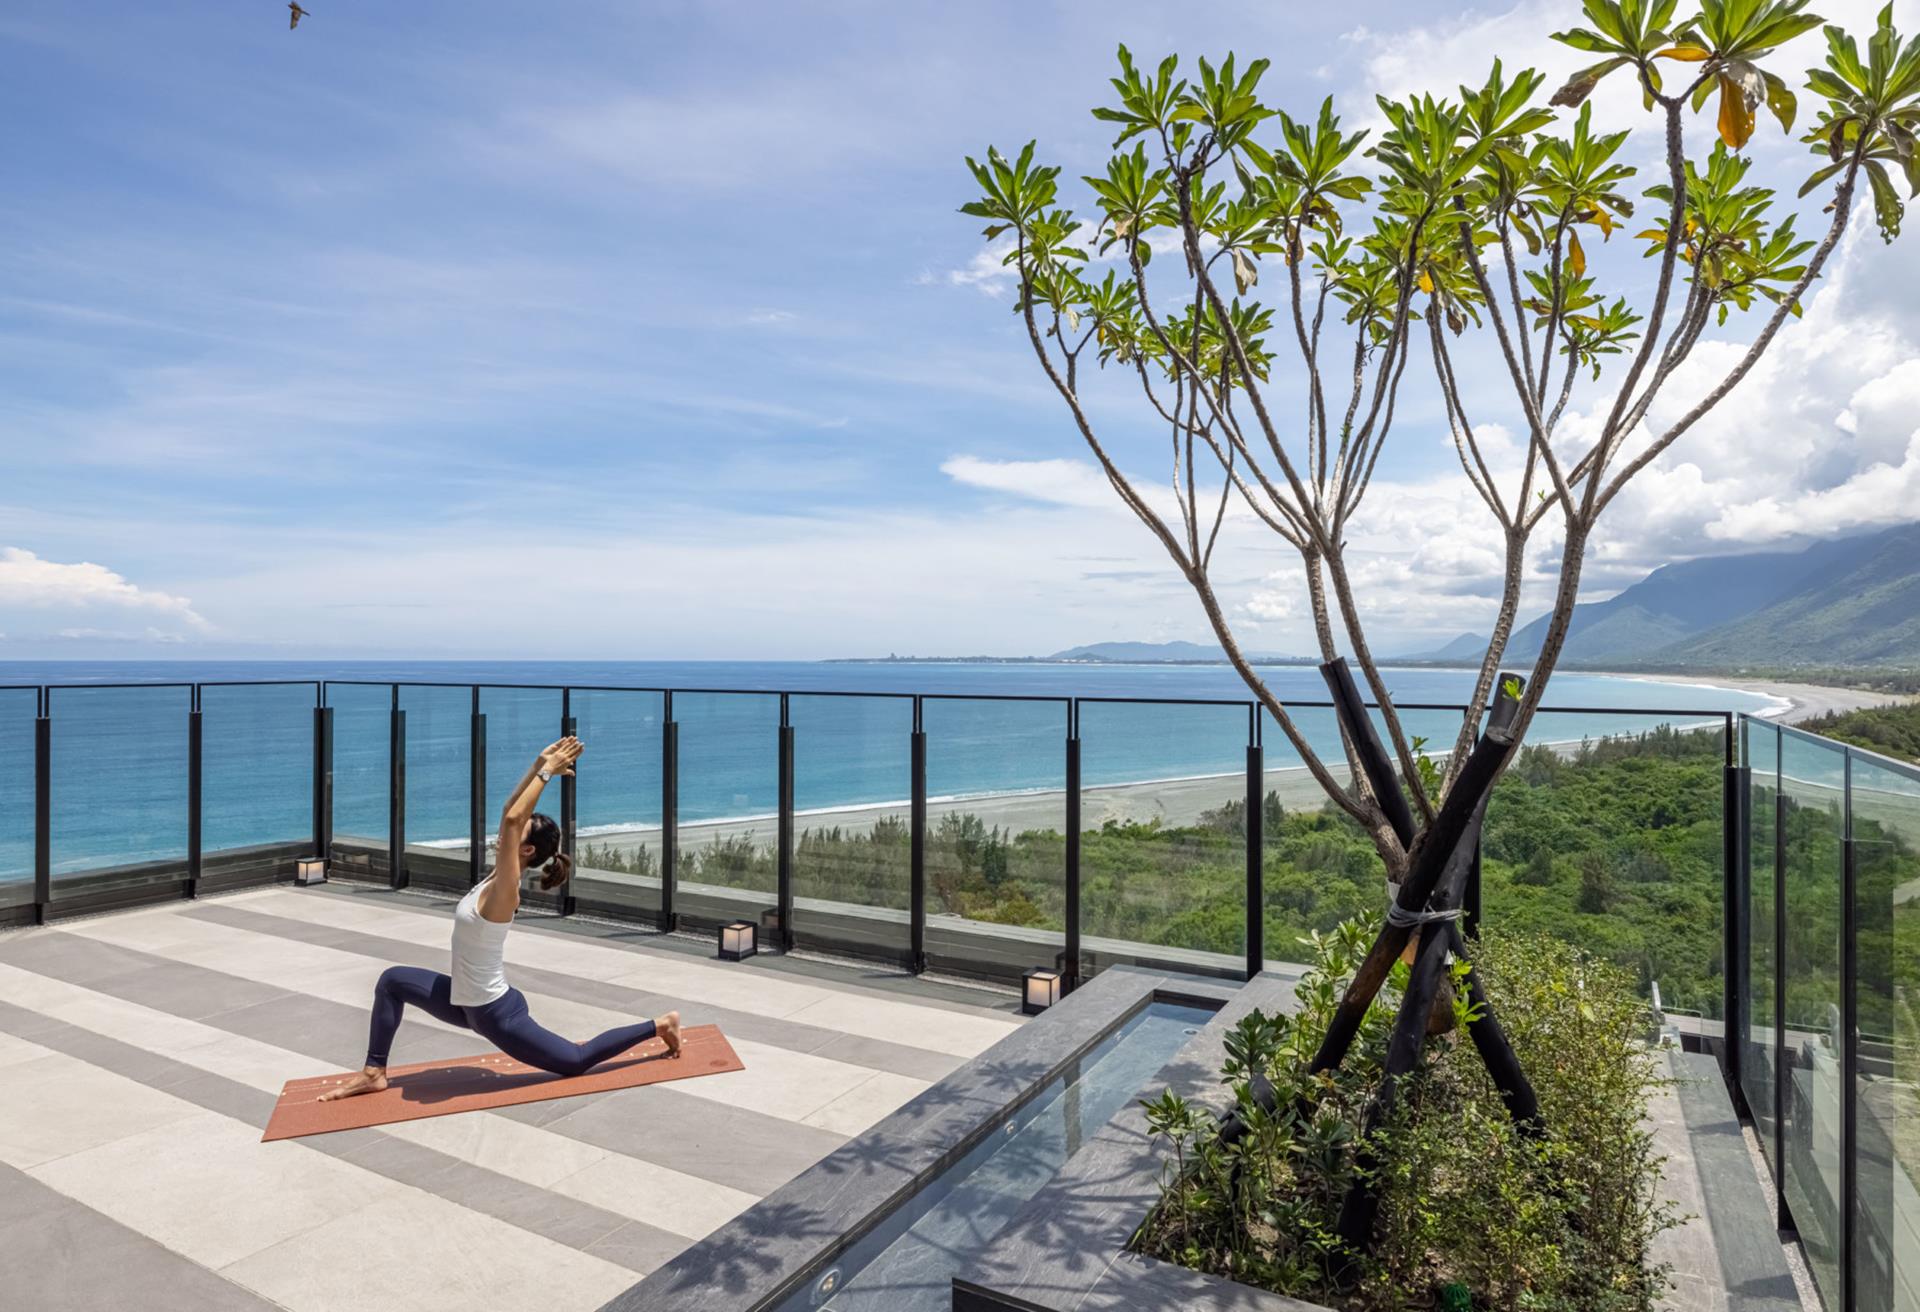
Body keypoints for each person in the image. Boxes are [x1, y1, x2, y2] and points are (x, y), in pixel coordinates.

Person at [321, 736, 680, 1101]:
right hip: (463, 1002)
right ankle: (373, 1072)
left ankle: (659, 1025)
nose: (505, 832)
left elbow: (512, 819)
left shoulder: (506, 889)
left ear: (525, 850)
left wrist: (546, 774)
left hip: (494, 1013)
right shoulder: (497, 875)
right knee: (392, 981)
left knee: (575, 1060)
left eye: (520, 832)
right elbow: (512, 810)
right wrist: (538, 763)